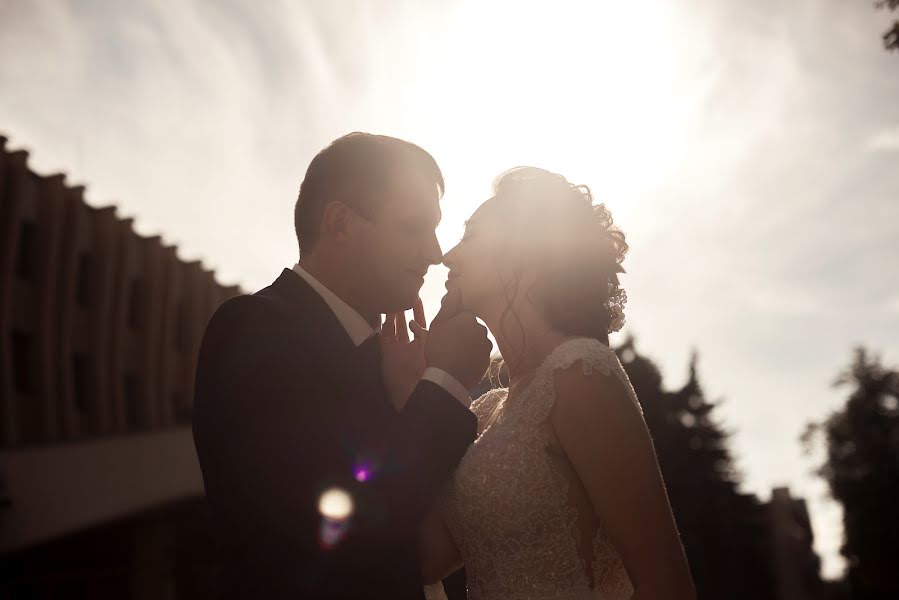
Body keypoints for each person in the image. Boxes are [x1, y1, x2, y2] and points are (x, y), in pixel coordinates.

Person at [192, 133, 492, 599]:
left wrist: (410, 396)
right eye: (413, 227)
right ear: (340, 224)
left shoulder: (392, 363)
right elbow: (331, 527)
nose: (435, 252)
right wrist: (445, 383)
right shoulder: (255, 329)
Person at [419, 168, 695, 600]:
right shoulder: (486, 411)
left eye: (470, 237)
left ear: (526, 256)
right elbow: (425, 559)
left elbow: (667, 584)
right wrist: (429, 382)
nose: (447, 257)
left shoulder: (580, 374)